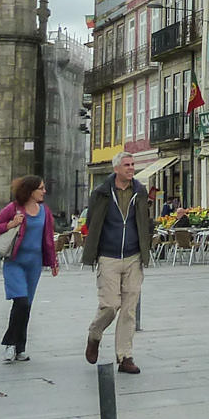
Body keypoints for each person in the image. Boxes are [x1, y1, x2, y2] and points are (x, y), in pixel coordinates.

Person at [82, 151, 153, 374]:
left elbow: (144, 220)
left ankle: (125, 356)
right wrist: (94, 250)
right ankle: (95, 334)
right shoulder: (101, 192)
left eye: (132, 165)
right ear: (116, 169)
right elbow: (92, 221)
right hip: (108, 256)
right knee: (110, 305)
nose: (131, 168)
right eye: (126, 165)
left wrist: (145, 246)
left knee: (129, 309)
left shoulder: (140, 192)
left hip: (133, 256)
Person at [0, 175, 59, 363]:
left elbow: (48, 239)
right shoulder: (14, 208)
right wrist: (11, 224)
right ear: (30, 190)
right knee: (21, 302)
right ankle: (10, 344)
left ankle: (20, 348)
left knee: (26, 307)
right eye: (41, 188)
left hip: (33, 264)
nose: (44, 191)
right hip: (15, 262)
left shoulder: (44, 211)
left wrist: (53, 262)